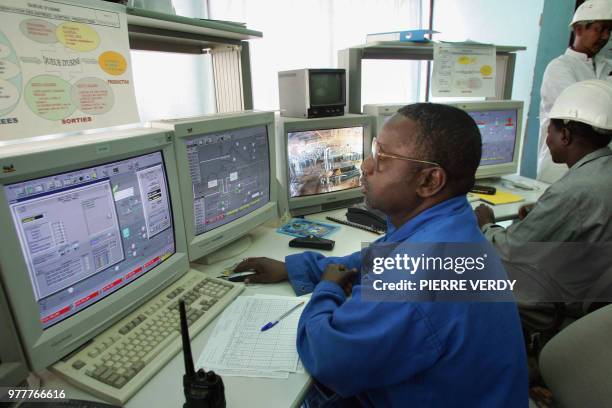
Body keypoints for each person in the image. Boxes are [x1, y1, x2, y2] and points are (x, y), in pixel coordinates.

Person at [235, 103, 528, 407]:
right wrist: (296, 269)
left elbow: (327, 358)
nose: (365, 165)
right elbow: (378, 258)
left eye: (382, 158)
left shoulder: (418, 276)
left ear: (429, 181)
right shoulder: (450, 223)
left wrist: (327, 289)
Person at [475, 80, 612, 331]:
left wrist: (486, 224)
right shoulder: (600, 173)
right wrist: (542, 216)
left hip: (557, 306)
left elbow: (508, 249)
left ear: (565, 135)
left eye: (549, 129)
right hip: (590, 293)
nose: (546, 137)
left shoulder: (574, 190)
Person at [537, 0, 612, 183]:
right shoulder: (559, 68)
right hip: (561, 168)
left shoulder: (607, 67)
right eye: (599, 29)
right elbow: (582, 117)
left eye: (609, 31)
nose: (605, 36)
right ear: (579, 29)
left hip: (597, 168)